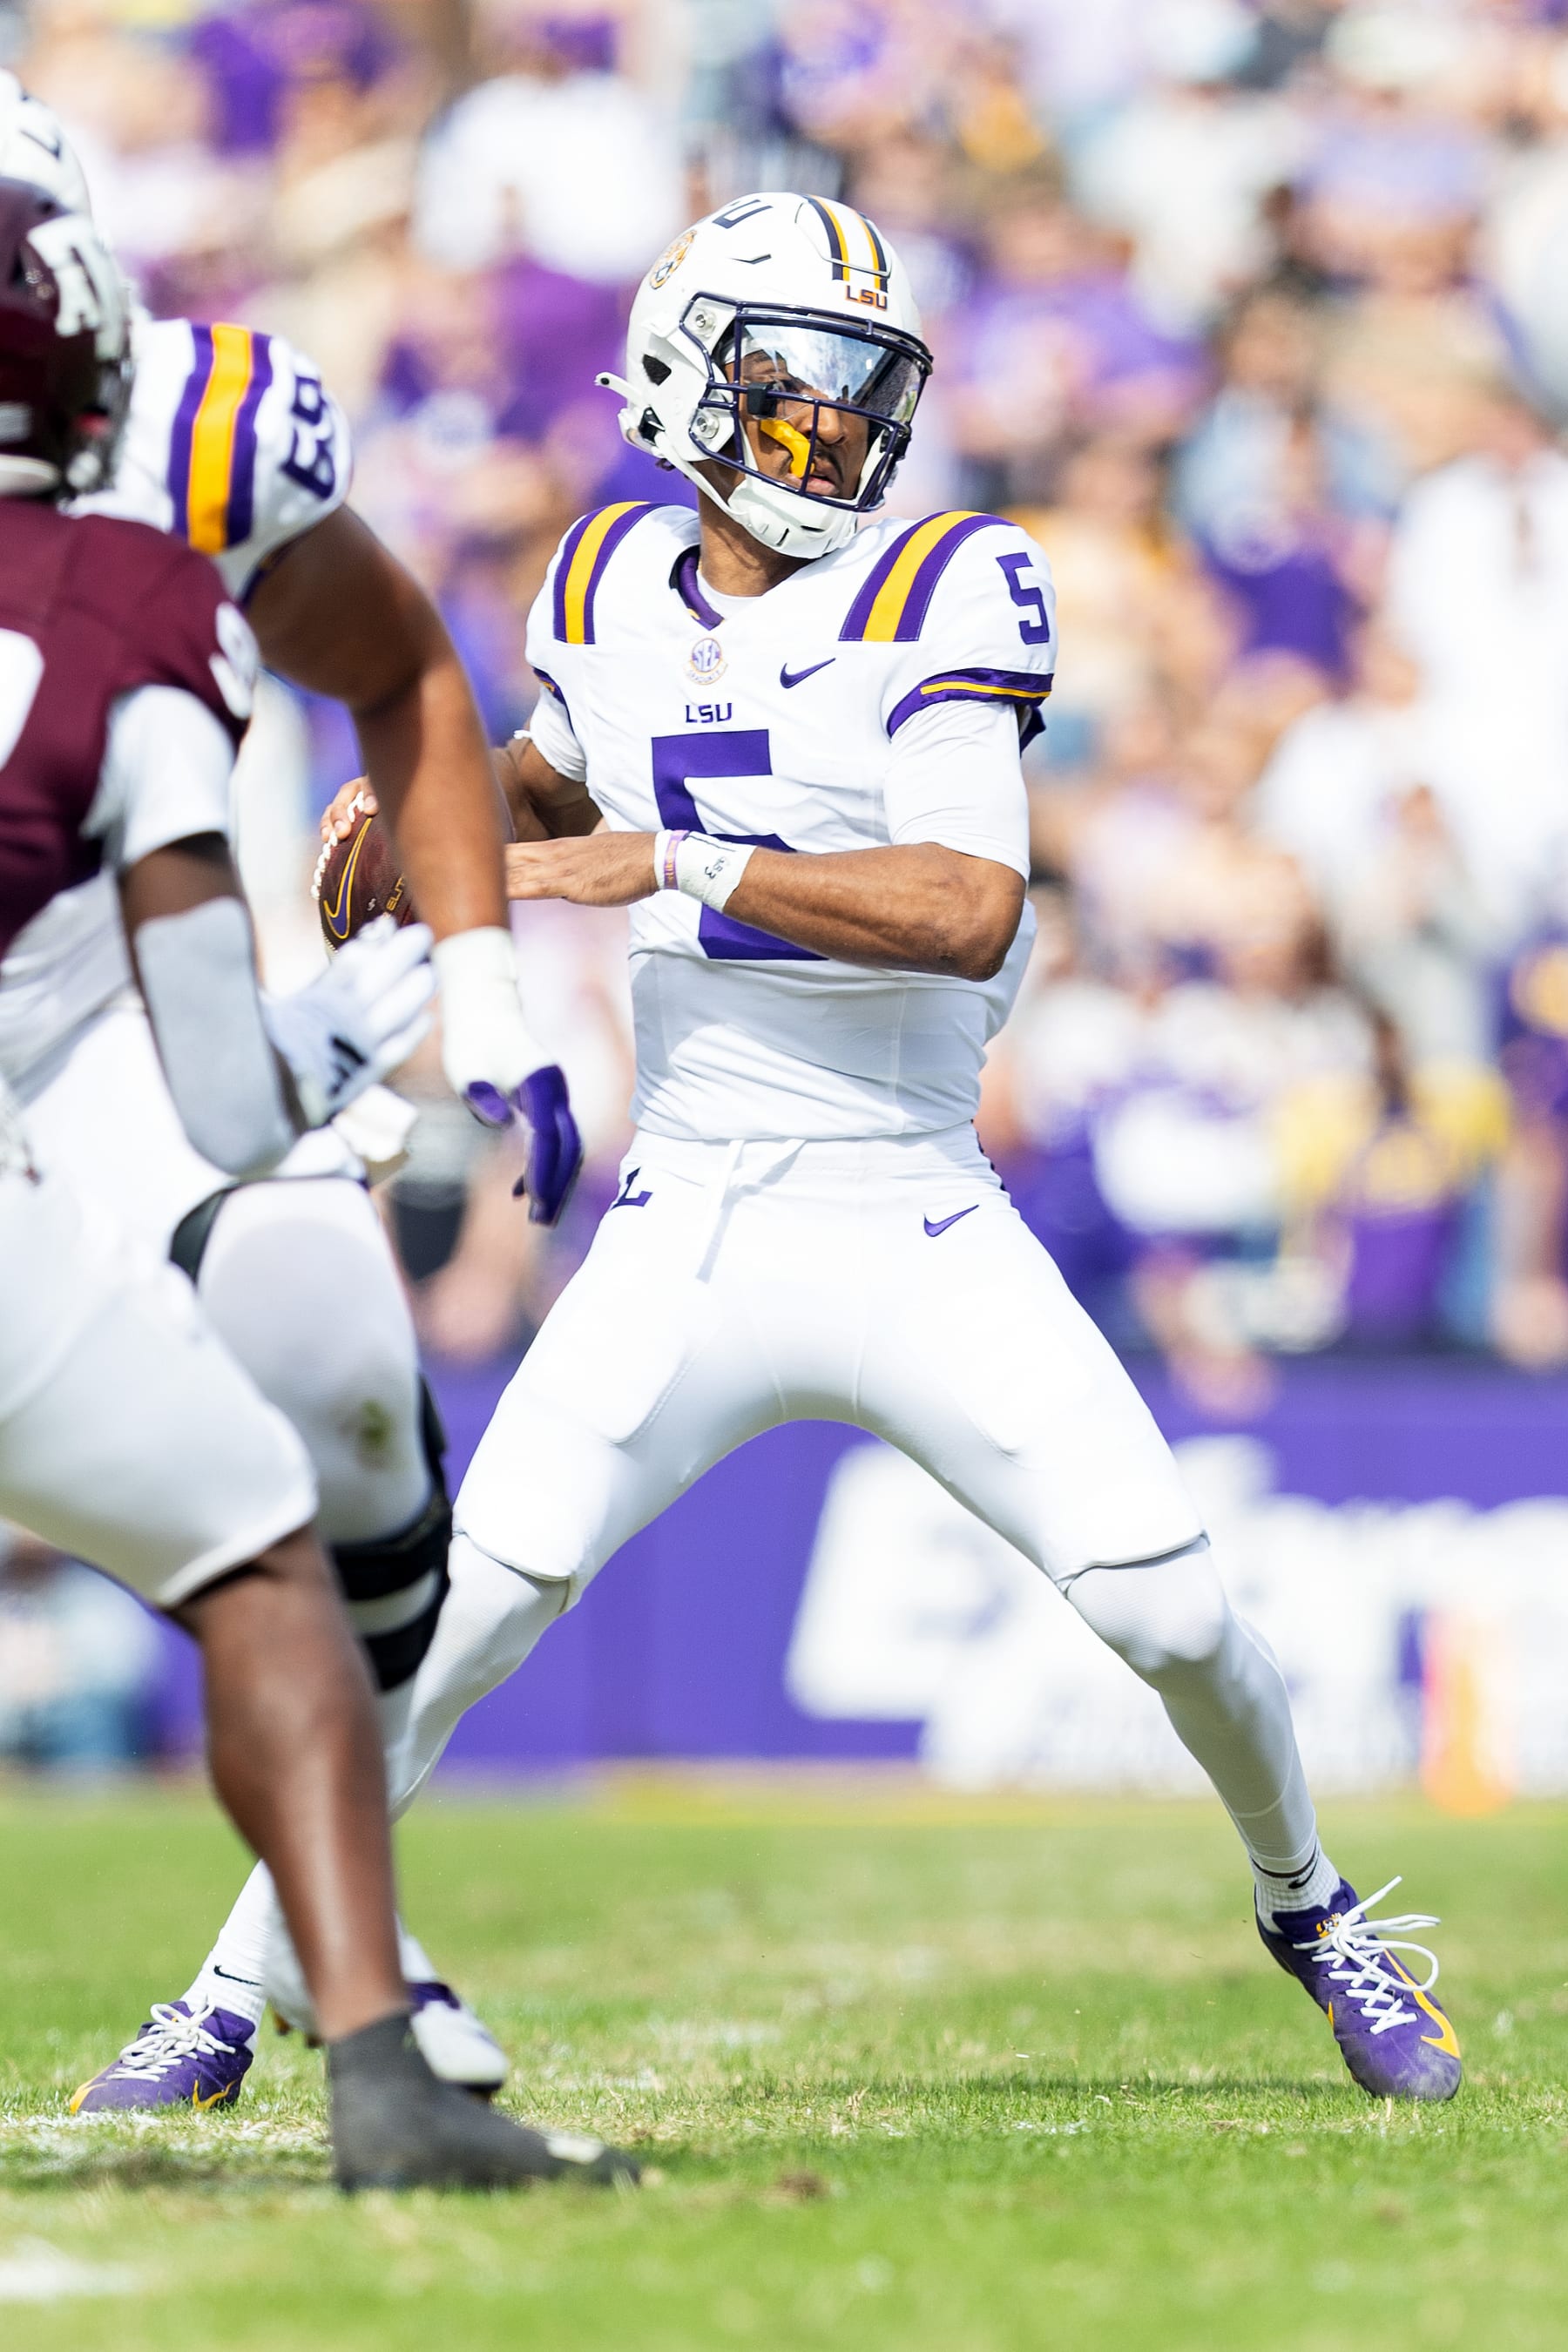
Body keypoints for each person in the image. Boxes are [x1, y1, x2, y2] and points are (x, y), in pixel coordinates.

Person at [362, 193, 1463, 2104]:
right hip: (690, 1206)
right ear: (682, 379)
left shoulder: (946, 578)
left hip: (911, 1201)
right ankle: (231, 1988)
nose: (843, 426)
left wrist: (672, 862)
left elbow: (968, 904)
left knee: (1173, 1612)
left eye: (870, 388)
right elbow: (559, 772)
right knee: (468, 1605)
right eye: (802, 382)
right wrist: (424, 821)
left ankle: (1310, 1901)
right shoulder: (604, 575)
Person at [0, 177, 632, 2190]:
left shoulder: (175, 473)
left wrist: (483, 982)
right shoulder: (127, 610)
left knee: (334, 1367)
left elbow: (408, 669)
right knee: (257, 1548)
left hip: (98, 1005)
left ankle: (350, 1984)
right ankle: (371, 2032)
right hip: (161, 1001)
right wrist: (375, 1022)